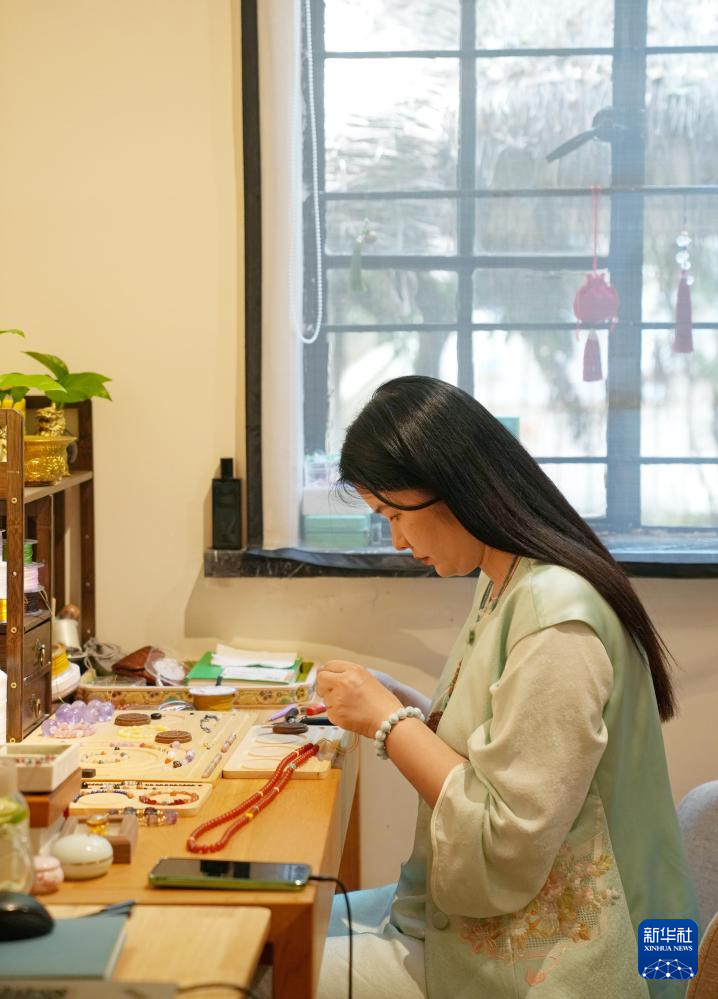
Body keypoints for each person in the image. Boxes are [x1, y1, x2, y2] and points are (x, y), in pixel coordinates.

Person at [315, 376, 698, 999]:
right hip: (496, 920)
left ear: (451, 487)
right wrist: (400, 703)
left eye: (395, 516)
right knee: (271, 923)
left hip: (590, 959)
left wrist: (388, 721)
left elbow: (501, 842)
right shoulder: (508, 580)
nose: (398, 542)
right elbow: (504, 750)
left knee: (255, 962)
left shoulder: (555, 618)